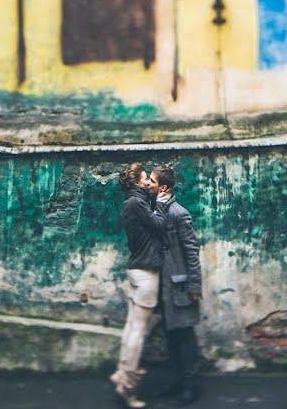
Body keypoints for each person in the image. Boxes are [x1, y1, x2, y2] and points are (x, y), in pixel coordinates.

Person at [110, 163, 166, 408]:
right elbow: (159, 226)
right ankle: (127, 387)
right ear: (135, 182)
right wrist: (162, 203)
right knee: (138, 331)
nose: (147, 182)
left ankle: (122, 374)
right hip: (145, 273)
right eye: (144, 178)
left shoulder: (131, 201)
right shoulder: (137, 203)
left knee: (132, 326)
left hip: (137, 269)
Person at [152, 165, 203, 405]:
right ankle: (176, 381)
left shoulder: (179, 213)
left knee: (185, 336)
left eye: (151, 180)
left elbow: (192, 251)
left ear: (163, 187)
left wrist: (195, 286)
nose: (148, 184)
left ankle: (190, 385)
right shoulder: (157, 210)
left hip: (180, 286)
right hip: (162, 287)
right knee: (171, 337)